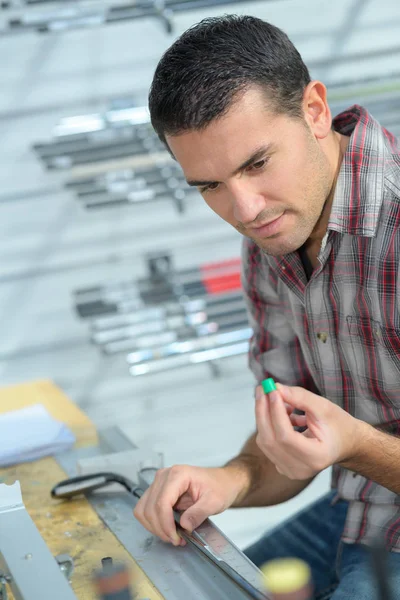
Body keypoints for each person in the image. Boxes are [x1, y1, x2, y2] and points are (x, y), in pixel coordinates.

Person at [133, 15, 400, 599]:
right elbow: (292, 443)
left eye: (256, 164)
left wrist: (354, 444)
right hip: (361, 509)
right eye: (210, 186)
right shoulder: (272, 241)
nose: (245, 209)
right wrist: (228, 480)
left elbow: (340, 442)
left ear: (314, 110)